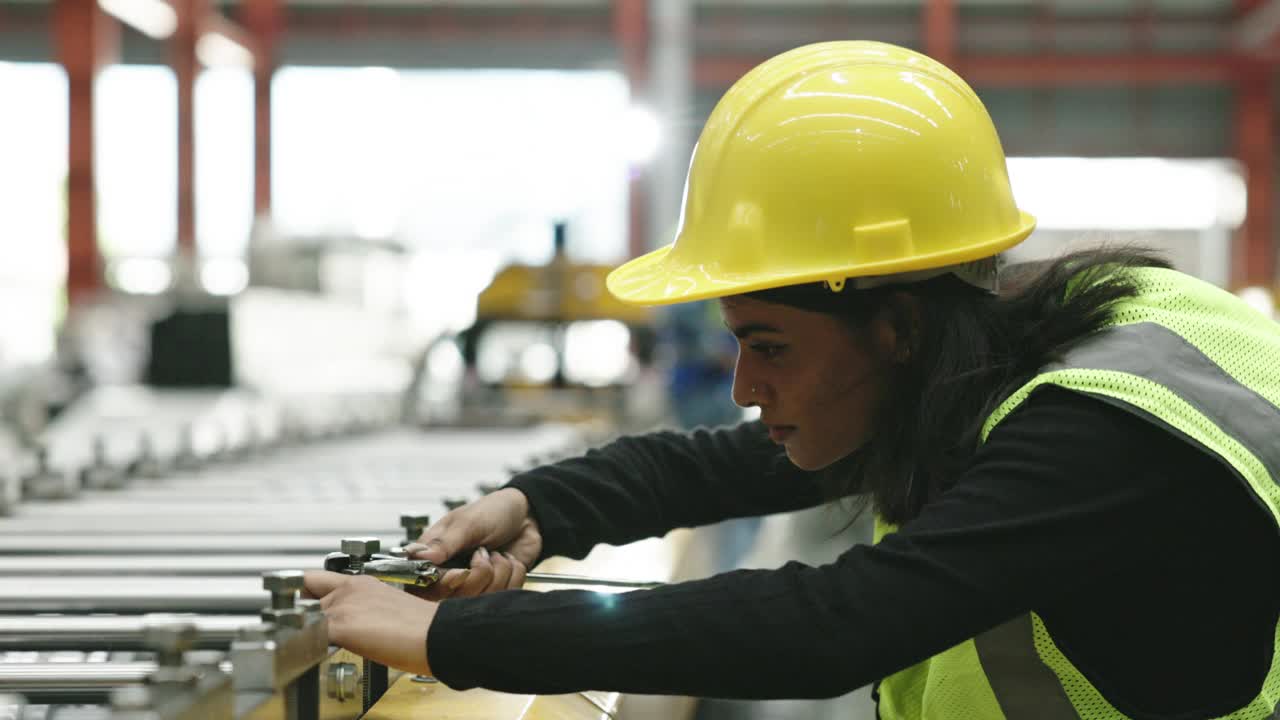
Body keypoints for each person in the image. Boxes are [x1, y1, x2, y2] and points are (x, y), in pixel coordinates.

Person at [304, 40, 1280, 719]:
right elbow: (735, 464)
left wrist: (447, 640)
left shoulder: (1094, 442)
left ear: (893, 324)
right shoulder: (991, 337)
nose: (740, 387)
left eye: (767, 345)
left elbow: (833, 628)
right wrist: (540, 507)